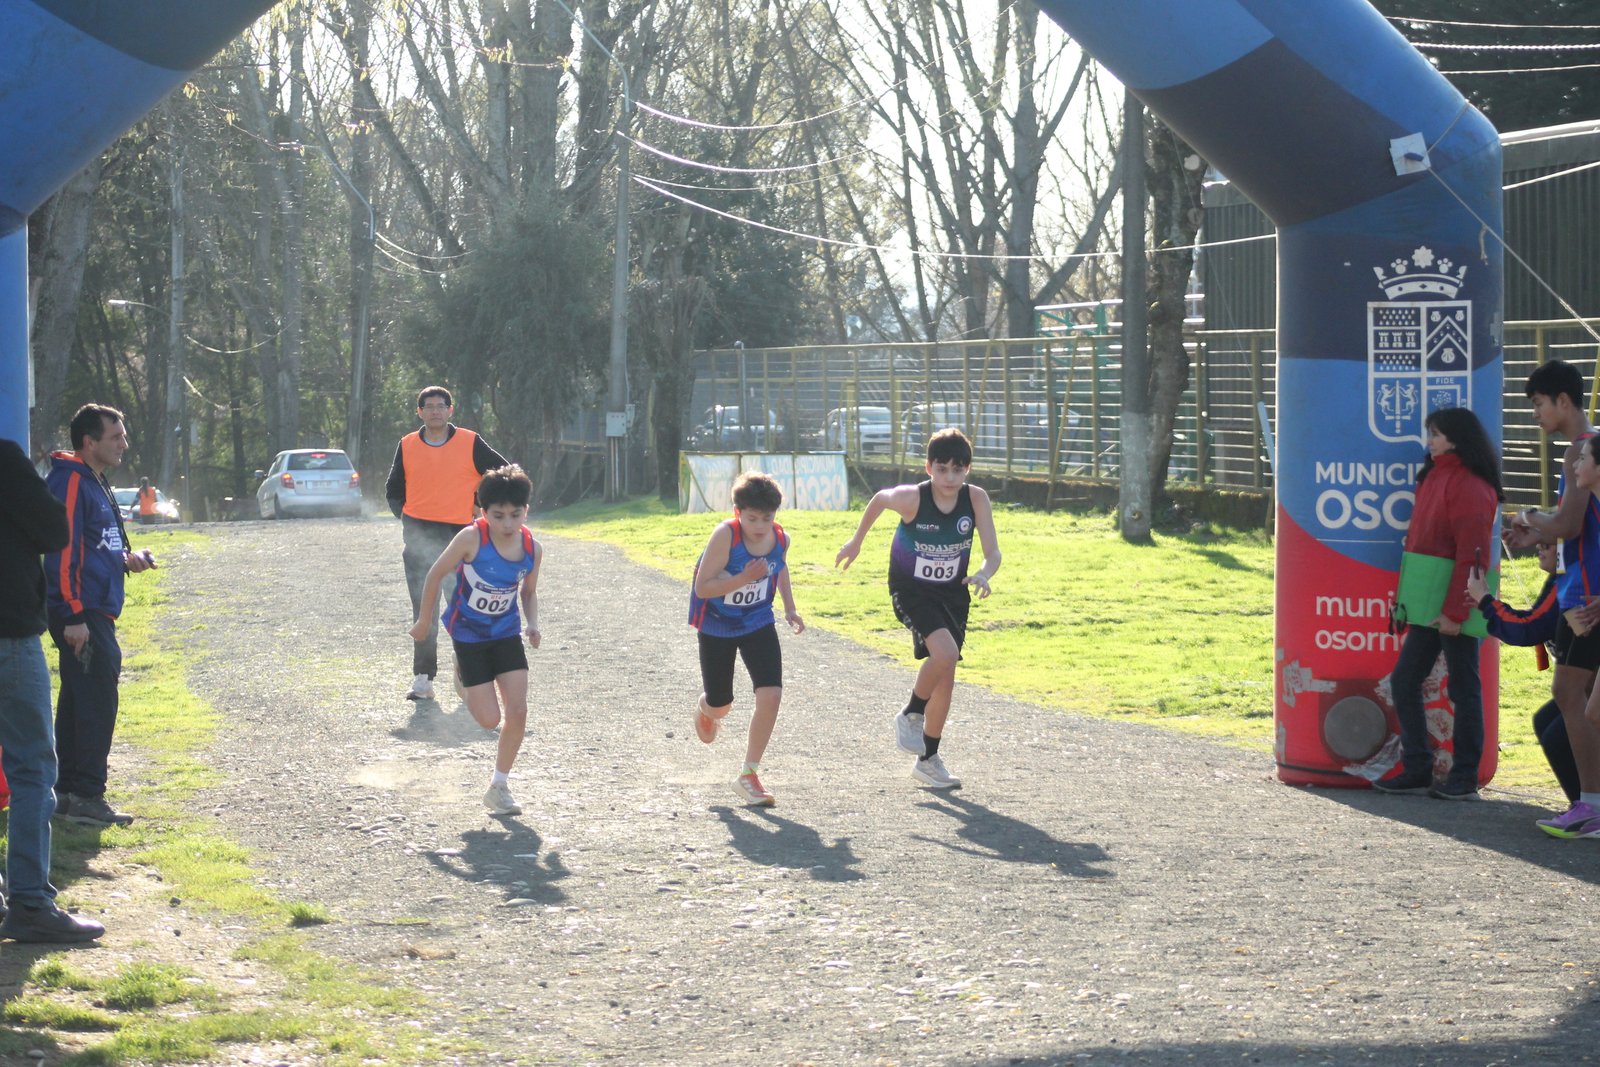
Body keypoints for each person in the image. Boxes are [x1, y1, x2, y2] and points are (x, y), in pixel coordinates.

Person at [834, 427, 1001, 790]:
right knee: (946, 653)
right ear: (928, 467)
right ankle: (911, 712)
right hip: (912, 591)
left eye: (958, 470)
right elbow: (879, 498)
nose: (949, 478)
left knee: (946, 672)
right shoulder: (913, 499)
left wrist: (984, 573)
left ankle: (928, 759)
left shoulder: (975, 500)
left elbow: (993, 552)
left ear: (968, 470)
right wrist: (857, 541)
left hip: (954, 594)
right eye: (942, 469)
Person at [0, 437, 104, 941]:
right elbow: (55, 529)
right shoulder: (3, 458)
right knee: (33, 770)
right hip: (8, 635)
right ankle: (29, 902)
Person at [1373, 407, 1501, 801]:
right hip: (1433, 602)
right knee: (1407, 680)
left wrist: (1456, 612)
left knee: (1463, 689)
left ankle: (1463, 776)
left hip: (1452, 605)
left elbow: (1472, 556)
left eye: (1436, 434)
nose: (1429, 440)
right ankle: (1419, 768)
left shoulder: (1468, 484)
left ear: (1456, 438)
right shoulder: (1435, 475)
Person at [44, 404, 157, 827]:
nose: (124, 444)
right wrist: (72, 614)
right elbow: (63, 550)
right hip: (82, 612)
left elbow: (97, 544)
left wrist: (128, 559)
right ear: (89, 442)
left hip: (92, 610)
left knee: (79, 700)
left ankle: (67, 794)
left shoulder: (93, 480)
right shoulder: (70, 480)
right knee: (96, 703)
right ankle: (88, 796)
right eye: (116, 437)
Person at [408, 466, 541, 816]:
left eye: (515, 515)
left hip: (506, 633)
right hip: (469, 636)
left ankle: (499, 786)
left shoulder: (532, 547)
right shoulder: (471, 538)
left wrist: (533, 623)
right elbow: (436, 574)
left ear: (526, 510)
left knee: (519, 709)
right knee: (487, 720)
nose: (507, 524)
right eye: (498, 516)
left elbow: (528, 592)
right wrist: (423, 622)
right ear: (484, 512)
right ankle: (464, 678)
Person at [1505, 360, 1600, 836]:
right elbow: (1574, 531)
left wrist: (1528, 515)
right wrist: (1537, 536)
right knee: (1575, 699)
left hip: (1586, 596)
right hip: (1577, 587)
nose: (1536, 415)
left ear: (1563, 401)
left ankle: (1590, 804)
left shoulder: (1581, 449)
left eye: (1539, 404)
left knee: (1569, 696)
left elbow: (1570, 524)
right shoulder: (1582, 448)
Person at [688, 471, 805, 807]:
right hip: (717, 625)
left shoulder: (780, 538)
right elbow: (703, 588)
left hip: (757, 620)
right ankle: (706, 707)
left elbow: (779, 567)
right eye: (752, 518)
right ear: (738, 512)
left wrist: (790, 608)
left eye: (767, 518)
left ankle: (749, 774)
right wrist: (742, 578)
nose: (759, 525)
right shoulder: (725, 536)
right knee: (721, 704)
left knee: (771, 694)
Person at [386, 386, 508, 702]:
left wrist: (481, 508)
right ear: (420, 412)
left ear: (450, 410)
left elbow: (503, 473)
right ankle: (423, 679)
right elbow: (393, 489)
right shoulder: (407, 445)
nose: (436, 411)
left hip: (461, 541)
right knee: (423, 611)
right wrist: (408, 519)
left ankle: (471, 675)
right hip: (419, 542)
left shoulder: (470, 442)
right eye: (429, 406)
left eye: (442, 406)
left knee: (464, 612)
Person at [1466, 544, 1579, 805]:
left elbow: (1529, 628)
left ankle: (1589, 809)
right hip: (1587, 682)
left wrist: (1484, 599)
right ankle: (1584, 805)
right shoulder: (1561, 576)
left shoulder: (1570, 578)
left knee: (1558, 734)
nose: (1539, 547)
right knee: (1546, 722)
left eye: (1547, 543)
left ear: (1565, 549)